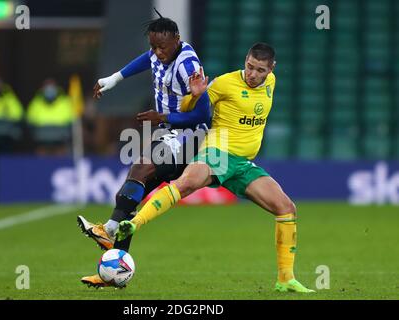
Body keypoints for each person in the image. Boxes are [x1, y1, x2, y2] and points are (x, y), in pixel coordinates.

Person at [116, 43, 315, 293]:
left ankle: (285, 279)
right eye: (250, 67)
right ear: (245, 60)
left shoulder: (271, 82)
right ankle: (135, 223)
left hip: (242, 164)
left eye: (260, 70)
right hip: (217, 152)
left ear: (271, 69)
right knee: (185, 184)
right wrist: (197, 94)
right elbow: (188, 109)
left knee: (286, 208)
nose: (253, 74)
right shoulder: (224, 83)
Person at [77, 14, 211, 288]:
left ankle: (108, 230)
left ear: (177, 40)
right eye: (153, 46)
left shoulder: (188, 66)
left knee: (139, 168)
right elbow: (146, 60)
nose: (158, 53)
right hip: (169, 132)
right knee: (128, 195)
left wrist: (163, 118)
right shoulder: (157, 52)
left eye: (163, 47)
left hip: (189, 136)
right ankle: (114, 271)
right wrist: (114, 78)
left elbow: (204, 116)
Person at [26, 79, 74, 156]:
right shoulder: (36, 102)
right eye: (47, 87)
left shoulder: (65, 102)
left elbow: (72, 121)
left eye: (52, 87)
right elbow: (29, 121)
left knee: (61, 153)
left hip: (61, 140)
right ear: (42, 88)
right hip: (41, 141)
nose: (49, 89)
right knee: (41, 153)